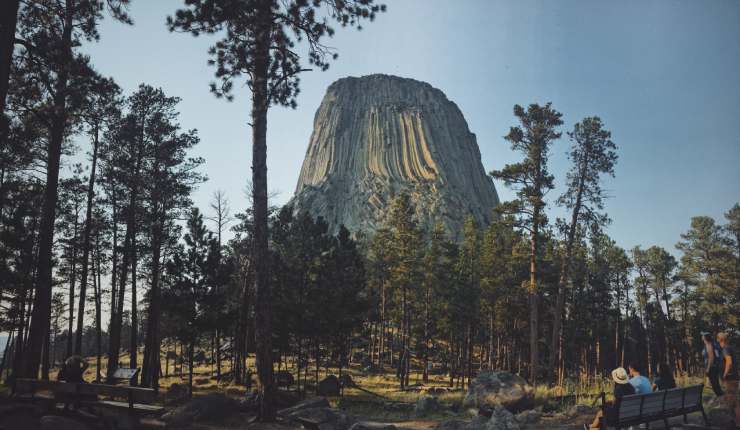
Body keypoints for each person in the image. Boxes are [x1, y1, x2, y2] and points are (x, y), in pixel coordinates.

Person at [717, 332, 739, 425]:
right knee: (733, 400)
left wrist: (725, 374)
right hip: (733, 377)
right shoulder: (729, 348)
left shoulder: (725, 349)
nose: (716, 340)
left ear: (720, 339)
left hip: (730, 378)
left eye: (717, 338)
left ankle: (737, 423)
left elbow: (729, 362)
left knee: (733, 401)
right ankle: (735, 422)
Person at [702, 331, 724, 396]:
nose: (702, 336)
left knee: (715, 384)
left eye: (703, 336)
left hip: (712, 368)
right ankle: (721, 397)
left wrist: (708, 369)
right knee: (716, 384)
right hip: (715, 367)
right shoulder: (712, 344)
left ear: (705, 338)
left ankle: (721, 398)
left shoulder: (709, 345)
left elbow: (711, 357)